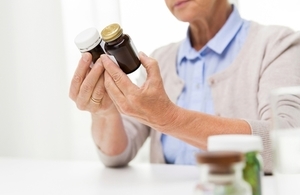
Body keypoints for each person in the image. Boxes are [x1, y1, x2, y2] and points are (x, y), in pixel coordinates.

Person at [69, 0, 300, 174]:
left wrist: (168, 117)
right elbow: (117, 155)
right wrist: (105, 112)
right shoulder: (161, 58)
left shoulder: (278, 45)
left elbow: (285, 146)